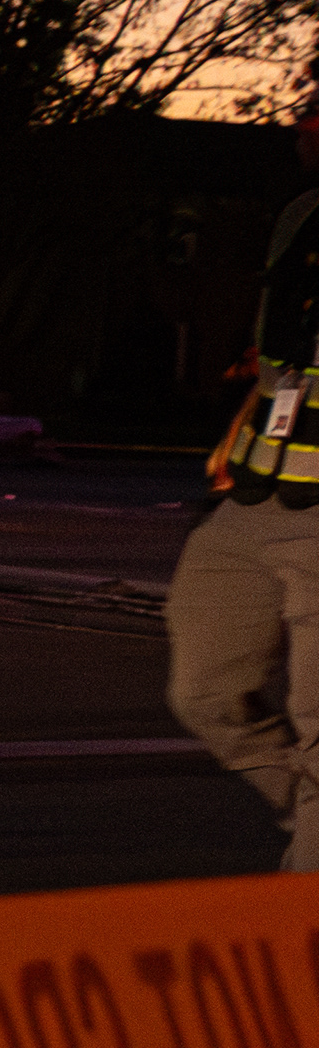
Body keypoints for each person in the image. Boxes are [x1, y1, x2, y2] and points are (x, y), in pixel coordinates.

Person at [163, 82, 319, 872]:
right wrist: (233, 447)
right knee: (204, 690)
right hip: (256, 500)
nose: (303, 125)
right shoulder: (303, 218)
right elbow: (277, 363)